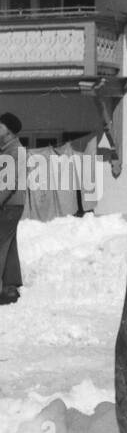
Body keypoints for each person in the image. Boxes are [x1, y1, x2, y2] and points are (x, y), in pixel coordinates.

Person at [0, 112, 25, 305]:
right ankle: (10, 288)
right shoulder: (7, 150)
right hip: (10, 204)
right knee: (8, 245)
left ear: (8, 131)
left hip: (8, 204)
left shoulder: (16, 152)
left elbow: (10, 182)